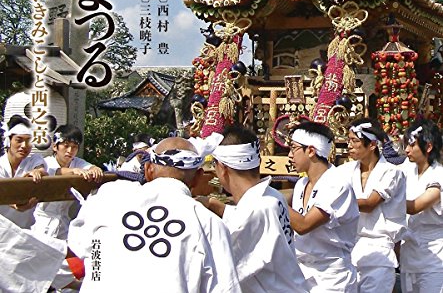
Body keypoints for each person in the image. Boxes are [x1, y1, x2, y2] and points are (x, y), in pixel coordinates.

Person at [68, 135, 241, 292]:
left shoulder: (109, 196)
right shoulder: (209, 223)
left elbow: (81, 244)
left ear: (148, 170)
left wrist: (97, 273)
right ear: (198, 177)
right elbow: (225, 288)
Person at [197, 126, 307, 293]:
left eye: (214, 165)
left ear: (223, 168)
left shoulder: (254, 210)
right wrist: (214, 205)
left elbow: (223, 270)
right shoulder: (272, 196)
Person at [287, 120, 359, 292]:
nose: (289, 155)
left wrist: (272, 198)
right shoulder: (301, 184)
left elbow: (304, 225)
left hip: (331, 277)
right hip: (302, 272)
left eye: (293, 148)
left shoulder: (337, 184)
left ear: (311, 151)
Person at [337, 118, 406, 293]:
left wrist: (334, 201)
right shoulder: (343, 171)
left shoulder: (391, 172)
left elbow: (370, 204)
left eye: (355, 141)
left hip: (378, 253)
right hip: (348, 250)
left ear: (372, 145)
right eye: (349, 140)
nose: (349, 145)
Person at [32, 124, 103, 240]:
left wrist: (95, 170)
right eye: (66, 146)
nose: (70, 151)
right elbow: (53, 171)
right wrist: (72, 171)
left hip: (64, 223)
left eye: (74, 147)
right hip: (41, 222)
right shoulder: (44, 163)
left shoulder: (77, 162)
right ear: (55, 147)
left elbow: (91, 167)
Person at [400, 119, 443, 293]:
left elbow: (415, 207)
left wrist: (382, 200)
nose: (406, 150)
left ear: (429, 146)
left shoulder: (439, 174)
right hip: (408, 256)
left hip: (433, 259)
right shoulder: (406, 171)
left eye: (411, 145)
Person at [0, 117, 47, 228]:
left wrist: (37, 172)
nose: (24, 146)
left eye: (28, 141)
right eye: (19, 140)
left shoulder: (34, 160)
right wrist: (16, 203)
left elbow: (42, 170)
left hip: (25, 229)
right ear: (8, 140)